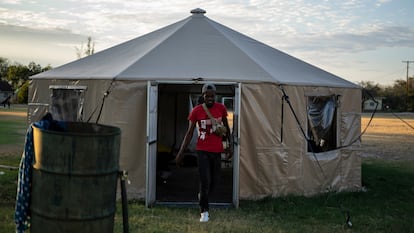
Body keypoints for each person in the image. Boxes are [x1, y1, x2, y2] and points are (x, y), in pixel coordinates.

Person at [175, 83, 233, 223]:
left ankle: (202, 196)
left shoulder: (221, 108)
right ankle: (204, 211)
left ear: (216, 95)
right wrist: (180, 153)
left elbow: (226, 128)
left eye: (212, 96)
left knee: (214, 181)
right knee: (205, 180)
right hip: (202, 151)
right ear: (203, 96)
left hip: (217, 151)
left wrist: (229, 146)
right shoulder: (196, 111)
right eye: (207, 96)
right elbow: (189, 133)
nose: (210, 98)